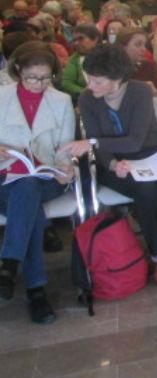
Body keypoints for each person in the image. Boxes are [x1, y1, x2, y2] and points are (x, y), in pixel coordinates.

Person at [64, 45, 157, 287]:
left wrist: (92, 142)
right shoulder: (87, 99)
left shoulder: (139, 91)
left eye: (98, 81)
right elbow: (97, 142)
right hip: (114, 158)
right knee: (145, 190)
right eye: (89, 78)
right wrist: (112, 164)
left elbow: (135, 141)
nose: (91, 85)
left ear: (118, 79)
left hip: (154, 150)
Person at [0, 43, 75, 324]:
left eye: (46, 78)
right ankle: (35, 291)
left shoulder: (61, 101)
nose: (39, 84)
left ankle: (9, 266)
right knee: (27, 199)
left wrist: (64, 168)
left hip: (46, 176)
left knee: (28, 188)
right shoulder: (1, 96)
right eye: (32, 78)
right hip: (6, 175)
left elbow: (65, 147)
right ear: (18, 71)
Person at [116, 27, 157, 95]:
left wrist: (154, 91)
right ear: (123, 47)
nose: (144, 49)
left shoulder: (148, 67)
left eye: (145, 45)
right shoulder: (112, 68)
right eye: (138, 44)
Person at [60, 25, 101, 100]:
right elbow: (67, 83)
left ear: (95, 39)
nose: (76, 43)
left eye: (81, 39)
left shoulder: (108, 55)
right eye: (74, 40)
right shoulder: (74, 59)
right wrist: (86, 93)